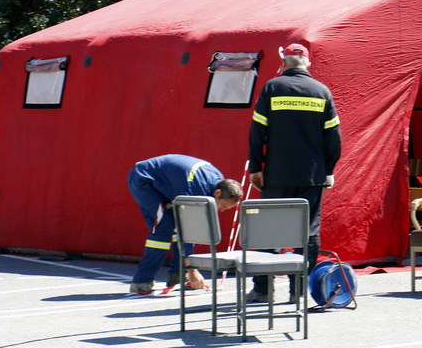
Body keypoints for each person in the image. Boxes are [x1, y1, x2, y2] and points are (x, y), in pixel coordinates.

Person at [247, 43, 341, 303]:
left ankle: (263, 290)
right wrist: (329, 170)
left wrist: (256, 167)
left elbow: (258, 132)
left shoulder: (272, 88)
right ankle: (299, 291)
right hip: (312, 176)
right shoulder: (322, 92)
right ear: (308, 63)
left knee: (268, 231)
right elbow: (333, 138)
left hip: (276, 175)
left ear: (284, 62)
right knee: (308, 232)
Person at [127, 154, 242, 294]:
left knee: (179, 227)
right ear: (217, 193)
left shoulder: (218, 181)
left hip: (168, 182)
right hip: (144, 179)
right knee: (164, 228)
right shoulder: (194, 190)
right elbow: (187, 228)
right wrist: (193, 271)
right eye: (223, 206)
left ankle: (178, 275)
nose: (222, 211)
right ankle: (141, 281)